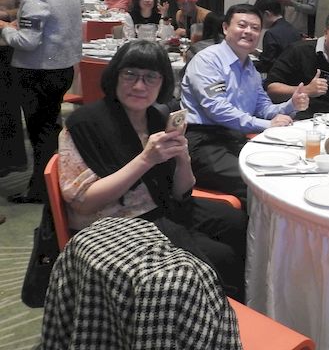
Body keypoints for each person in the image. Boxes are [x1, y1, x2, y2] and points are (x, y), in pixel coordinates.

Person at [57, 40, 248, 301]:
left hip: (161, 207)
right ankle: (214, 310)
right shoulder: (84, 124)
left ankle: (235, 301)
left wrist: (182, 157)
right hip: (115, 223)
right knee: (220, 257)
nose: (139, 86)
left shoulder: (157, 119)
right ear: (115, 76)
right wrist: (146, 159)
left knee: (237, 221)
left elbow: (180, 192)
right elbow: (83, 203)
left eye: (150, 77)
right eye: (130, 75)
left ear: (162, 83)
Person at [182, 4, 309, 201]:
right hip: (203, 141)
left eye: (255, 28)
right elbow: (217, 109)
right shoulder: (207, 60)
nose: (249, 31)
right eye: (242, 25)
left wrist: (291, 104)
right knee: (258, 184)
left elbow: (264, 108)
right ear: (226, 28)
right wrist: (267, 124)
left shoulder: (251, 69)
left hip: (235, 138)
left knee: (287, 168)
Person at [0, 0, 82, 204]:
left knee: (40, 135)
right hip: (62, 69)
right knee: (50, 130)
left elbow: (27, 41)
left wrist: (4, 29)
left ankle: (40, 190)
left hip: (37, 73)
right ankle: (50, 183)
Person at [266, 11, 329, 118]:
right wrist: (306, 90)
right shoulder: (298, 51)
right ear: (326, 32)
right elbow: (271, 89)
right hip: (295, 118)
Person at [0, 0, 30, 178]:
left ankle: (13, 160)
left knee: (7, 105)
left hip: (5, 48)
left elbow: (27, 9)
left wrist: (5, 13)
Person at [254, 0, 301, 73]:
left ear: (266, 14)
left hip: (278, 75)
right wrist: (257, 53)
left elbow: (266, 65)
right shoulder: (293, 29)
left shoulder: (271, 34)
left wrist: (248, 63)